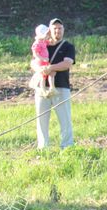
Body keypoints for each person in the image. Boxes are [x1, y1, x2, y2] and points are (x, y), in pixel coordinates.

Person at [32, 18, 76, 149]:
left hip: (61, 87)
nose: (57, 31)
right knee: (41, 120)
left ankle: (67, 147)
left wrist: (51, 68)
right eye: (54, 28)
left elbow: (67, 64)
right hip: (42, 88)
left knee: (65, 120)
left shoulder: (68, 46)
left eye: (60, 28)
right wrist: (39, 68)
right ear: (49, 31)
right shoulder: (42, 45)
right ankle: (43, 148)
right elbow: (33, 61)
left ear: (63, 30)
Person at [30, 24, 53, 92]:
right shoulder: (37, 43)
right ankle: (42, 89)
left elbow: (49, 43)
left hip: (45, 61)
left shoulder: (43, 42)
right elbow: (35, 54)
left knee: (48, 73)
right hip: (41, 61)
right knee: (42, 75)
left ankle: (51, 87)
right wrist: (42, 58)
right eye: (46, 34)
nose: (47, 36)